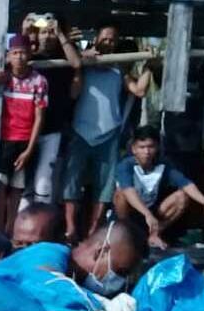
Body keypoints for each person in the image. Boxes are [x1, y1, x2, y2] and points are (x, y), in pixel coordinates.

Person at [61, 22, 152, 243]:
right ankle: (70, 229)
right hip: (80, 130)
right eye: (106, 38)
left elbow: (139, 90)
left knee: (105, 186)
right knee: (71, 180)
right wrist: (81, 62)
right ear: (97, 39)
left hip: (109, 133)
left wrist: (149, 65)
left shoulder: (118, 70)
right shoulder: (83, 62)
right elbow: (73, 91)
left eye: (113, 40)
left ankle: (94, 230)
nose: (109, 43)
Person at [0, 34, 48, 235]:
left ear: (29, 54)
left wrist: (29, 150)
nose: (19, 57)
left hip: (25, 141)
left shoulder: (39, 81)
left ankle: (9, 229)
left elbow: (39, 117)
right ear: (9, 55)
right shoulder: (3, 79)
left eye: (23, 53)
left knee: (17, 188)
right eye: (15, 53)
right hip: (3, 141)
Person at [112, 125, 204, 249]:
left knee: (182, 196)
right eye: (142, 147)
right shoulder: (125, 166)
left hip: (154, 213)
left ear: (157, 147)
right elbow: (128, 191)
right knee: (120, 194)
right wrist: (147, 213)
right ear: (134, 149)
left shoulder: (164, 164)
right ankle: (127, 234)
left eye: (150, 147)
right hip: (132, 213)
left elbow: (185, 184)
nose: (146, 152)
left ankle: (154, 234)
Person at [29, 15, 83, 206]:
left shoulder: (66, 57)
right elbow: (18, 52)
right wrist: (28, 30)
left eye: (51, 32)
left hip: (54, 127)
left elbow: (76, 64)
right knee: (24, 179)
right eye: (44, 32)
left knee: (45, 178)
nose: (48, 36)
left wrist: (60, 33)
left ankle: (41, 222)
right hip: (28, 128)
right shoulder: (32, 57)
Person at [69, 219, 149, 311]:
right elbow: (47, 284)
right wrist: (100, 303)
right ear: (101, 253)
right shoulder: (51, 253)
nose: (121, 282)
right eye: (121, 272)